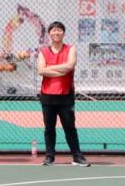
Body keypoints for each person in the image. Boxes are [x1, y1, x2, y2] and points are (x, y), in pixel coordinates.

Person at [36, 21, 90, 167]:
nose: (56, 32)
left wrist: (50, 68)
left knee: (69, 127)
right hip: (47, 96)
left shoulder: (70, 49)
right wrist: (61, 70)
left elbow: (70, 65)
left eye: (59, 30)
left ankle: (77, 156)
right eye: (53, 30)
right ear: (49, 34)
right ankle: (49, 157)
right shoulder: (43, 52)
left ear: (63, 33)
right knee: (49, 128)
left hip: (66, 95)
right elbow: (41, 70)